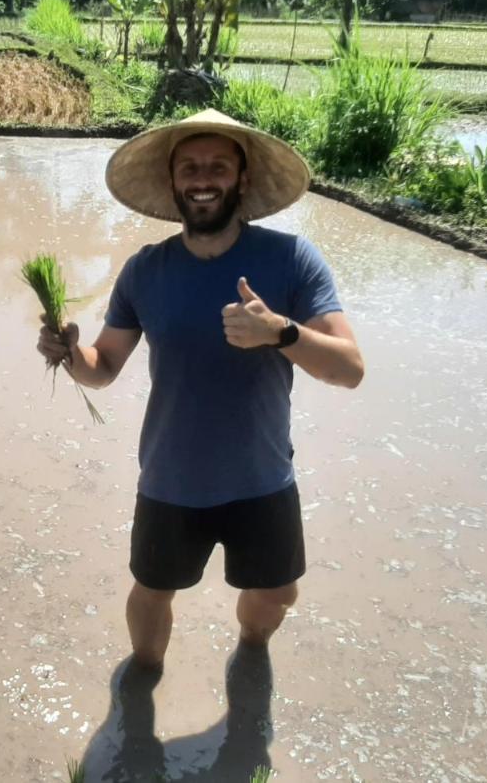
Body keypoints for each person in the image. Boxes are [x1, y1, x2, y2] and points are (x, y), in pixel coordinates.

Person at [37, 109, 364, 671]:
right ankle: (144, 676)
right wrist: (70, 351)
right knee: (152, 589)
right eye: (189, 166)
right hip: (172, 476)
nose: (202, 177)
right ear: (173, 183)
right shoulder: (146, 270)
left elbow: (348, 368)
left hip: (261, 475)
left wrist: (280, 332)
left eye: (217, 165)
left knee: (275, 595)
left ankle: (252, 648)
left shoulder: (290, 259)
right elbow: (104, 365)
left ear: (242, 179)